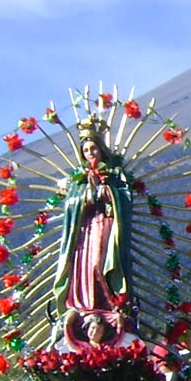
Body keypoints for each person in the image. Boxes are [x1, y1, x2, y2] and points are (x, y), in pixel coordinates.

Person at [52, 135, 133, 328]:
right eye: (86, 150)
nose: (91, 153)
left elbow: (123, 200)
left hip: (106, 225)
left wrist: (107, 193)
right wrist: (86, 194)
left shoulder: (114, 176)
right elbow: (72, 205)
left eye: (93, 148)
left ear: (101, 150)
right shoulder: (78, 179)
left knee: (100, 263)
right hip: (84, 231)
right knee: (84, 265)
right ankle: (84, 305)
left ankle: (109, 302)